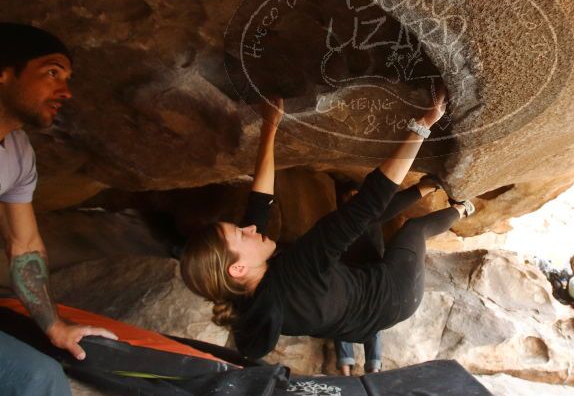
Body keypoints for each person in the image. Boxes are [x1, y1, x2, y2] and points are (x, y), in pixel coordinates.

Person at [180, 88, 475, 359]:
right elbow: (370, 199)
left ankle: (425, 186)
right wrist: (424, 123)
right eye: (240, 235)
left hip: (352, 294)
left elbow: (260, 201)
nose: (248, 229)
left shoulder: (245, 295)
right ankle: (463, 208)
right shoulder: (296, 273)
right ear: (238, 268)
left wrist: (270, 127)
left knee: (362, 222)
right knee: (413, 229)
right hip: (393, 297)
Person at [0, 23, 117, 396]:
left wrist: (53, 325)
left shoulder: (16, 150)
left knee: (37, 378)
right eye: (52, 72)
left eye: (67, 79)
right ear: (4, 72)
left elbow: (24, 244)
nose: (65, 91)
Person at [333, 176, 442, 375]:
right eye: (347, 196)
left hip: (373, 274)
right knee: (341, 318)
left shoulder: (370, 216)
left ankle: (373, 368)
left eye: (355, 196)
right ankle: (345, 370)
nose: (351, 199)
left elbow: (393, 206)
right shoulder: (338, 221)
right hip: (349, 278)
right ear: (341, 201)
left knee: (373, 321)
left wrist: (422, 189)